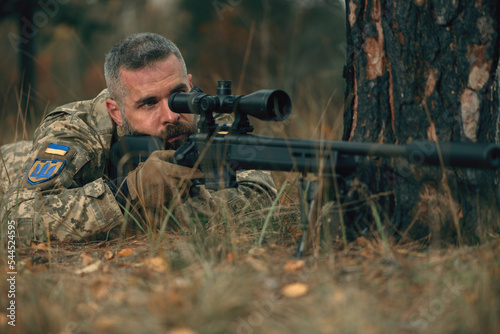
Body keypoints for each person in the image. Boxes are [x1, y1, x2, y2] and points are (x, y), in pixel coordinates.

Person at [1, 33, 277, 242]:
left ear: (191, 86)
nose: (170, 115)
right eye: (148, 103)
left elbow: (259, 192)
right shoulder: (74, 129)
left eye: (179, 95)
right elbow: (16, 220)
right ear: (116, 112)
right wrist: (131, 194)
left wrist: (153, 211)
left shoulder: (206, 114)